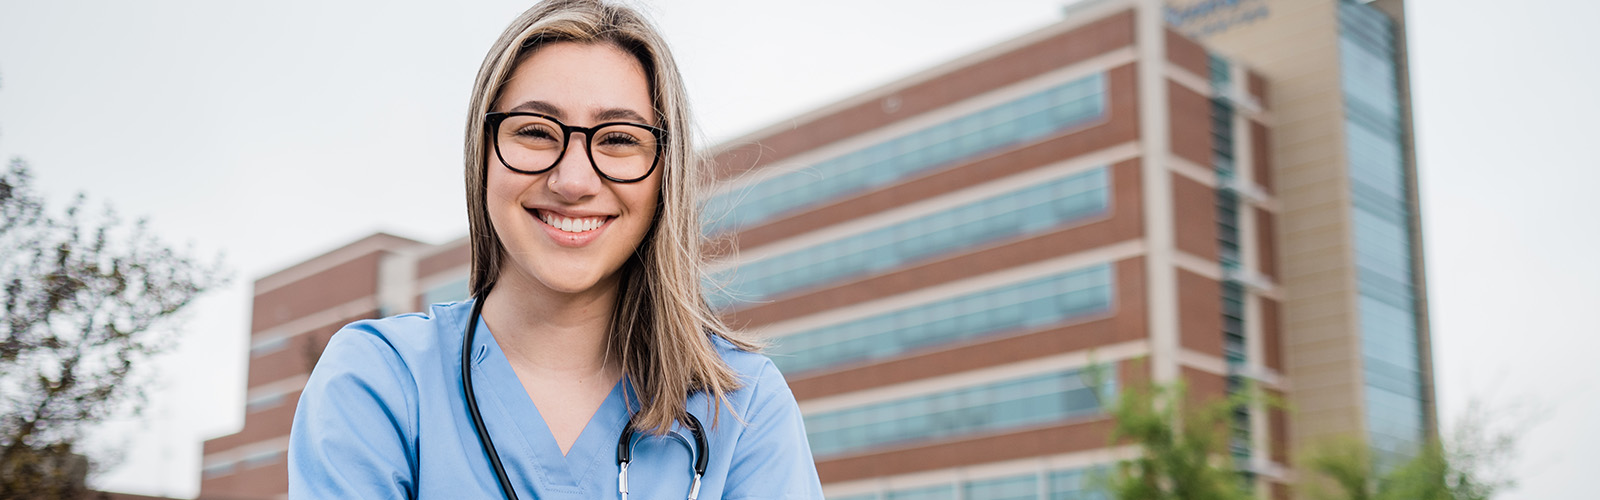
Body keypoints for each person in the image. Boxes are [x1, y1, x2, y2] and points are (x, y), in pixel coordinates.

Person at [286, 1, 825, 498]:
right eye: (536, 132)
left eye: (617, 139)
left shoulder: (742, 404)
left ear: (665, 173)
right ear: (483, 157)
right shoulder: (379, 379)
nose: (572, 180)